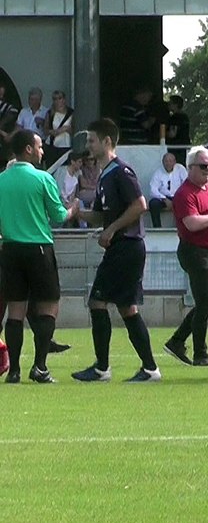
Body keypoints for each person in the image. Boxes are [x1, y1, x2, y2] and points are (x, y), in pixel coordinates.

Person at [70, 118, 160, 383]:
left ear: (106, 141)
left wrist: (112, 230)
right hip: (122, 247)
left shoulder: (121, 171)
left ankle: (105, 368)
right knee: (125, 307)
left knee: (99, 301)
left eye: (92, 140)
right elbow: (102, 215)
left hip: (127, 246)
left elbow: (140, 205)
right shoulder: (104, 174)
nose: (88, 146)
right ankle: (145, 368)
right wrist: (78, 214)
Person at [0, 129, 69, 383]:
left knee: (16, 310)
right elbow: (59, 216)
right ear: (28, 149)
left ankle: (15, 370)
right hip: (38, 249)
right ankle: (40, 367)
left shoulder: (1, 180)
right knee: (49, 305)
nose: (42, 151)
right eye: (39, 147)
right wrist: (72, 210)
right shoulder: (42, 178)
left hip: (9, 250)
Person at [164, 145, 208, 367]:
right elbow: (191, 223)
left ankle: (177, 340)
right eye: (203, 165)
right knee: (206, 302)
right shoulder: (185, 193)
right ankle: (200, 353)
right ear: (190, 167)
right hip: (195, 250)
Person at [147, 152, 187, 228]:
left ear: (175, 162)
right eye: (166, 161)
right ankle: (157, 228)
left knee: (185, 203)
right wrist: (164, 199)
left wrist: (177, 199)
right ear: (163, 162)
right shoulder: (158, 172)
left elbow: (186, 184)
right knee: (153, 203)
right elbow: (153, 190)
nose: (168, 163)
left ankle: (181, 228)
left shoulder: (180, 169)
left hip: (178, 196)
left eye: (170, 161)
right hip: (164, 198)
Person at [42, 90, 73, 166]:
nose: (58, 101)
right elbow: (45, 130)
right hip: (52, 146)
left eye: (60, 98)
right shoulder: (50, 113)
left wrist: (65, 129)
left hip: (66, 145)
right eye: (55, 99)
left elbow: (74, 130)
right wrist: (55, 132)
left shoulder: (71, 113)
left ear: (64, 99)